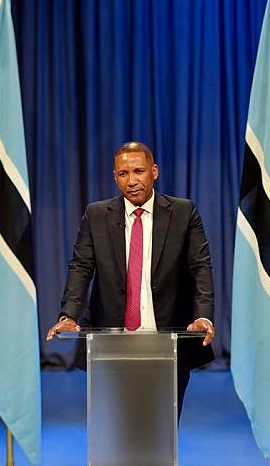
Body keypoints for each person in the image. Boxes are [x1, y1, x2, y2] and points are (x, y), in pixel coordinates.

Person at [46, 141, 215, 417]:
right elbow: (81, 267)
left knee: (163, 430)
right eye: (123, 174)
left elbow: (200, 267)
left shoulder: (184, 213)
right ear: (114, 176)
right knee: (118, 429)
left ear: (154, 172)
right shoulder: (97, 215)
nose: (132, 181)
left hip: (168, 341)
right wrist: (69, 314)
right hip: (111, 344)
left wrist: (204, 316)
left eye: (139, 171)